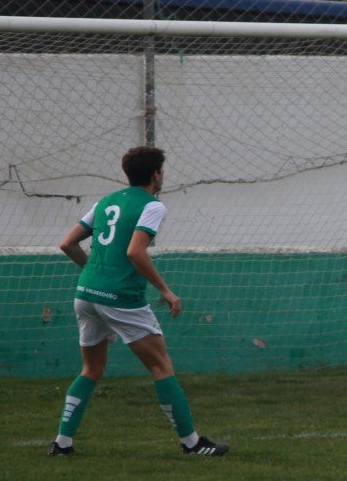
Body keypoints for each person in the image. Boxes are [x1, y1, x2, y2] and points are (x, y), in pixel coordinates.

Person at [48, 146, 228, 457]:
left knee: (91, 368)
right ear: (157, 173)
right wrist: (165, 290)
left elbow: (67, 243)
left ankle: (62, 445)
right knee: (161, 366)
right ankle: (192, 444)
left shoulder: (105, 202)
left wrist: (95, 272)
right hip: (120, 298)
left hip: (86, 294)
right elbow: (135, 251)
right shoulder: (153, 206)